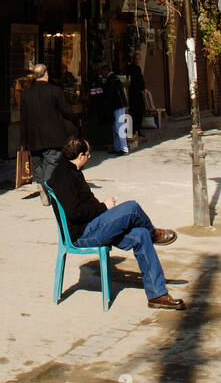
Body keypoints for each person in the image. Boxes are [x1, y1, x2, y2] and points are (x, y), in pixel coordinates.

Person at [48, 136, 185, 310]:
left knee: (140, 235)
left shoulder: (72, 171)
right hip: (83, 234)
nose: (89, 158)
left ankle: (157, 294)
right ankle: (154, 233)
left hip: (94, 224)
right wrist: (104, 207)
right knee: (132, 208)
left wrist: (105, 209)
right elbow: (75, 213)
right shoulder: (64, 177)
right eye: (89, 155)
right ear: (81, 155)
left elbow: (87, 204)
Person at [20, 63, 79, 207]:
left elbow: (23, 119)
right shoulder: (55, 91)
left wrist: (23, 141)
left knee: (38, 164)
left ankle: (42, 187)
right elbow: (65, 110)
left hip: (33, 137)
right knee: (51, 163)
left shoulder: (26, 94)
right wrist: (75, 118)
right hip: (53, 136)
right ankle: (47, 187)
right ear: (46, 75)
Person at [102, 67, 129, 154]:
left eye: (102, 71)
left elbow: (110, 94)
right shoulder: (113, 78)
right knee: (116, 127)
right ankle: (118, 147)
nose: (102, 73)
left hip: (118, 106)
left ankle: (124, 148)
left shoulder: (111, 79)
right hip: (118, 105)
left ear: (106, 71)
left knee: (118, 126)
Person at [128, 55, 146, 137]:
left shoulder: (137, 68)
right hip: (133, 93)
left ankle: (138, 129)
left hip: (138, 93)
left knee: (139, 111)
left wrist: (143, 89)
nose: (138, 60)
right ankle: (134, 129)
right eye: (137, 59)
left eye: (139, 59)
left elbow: (141, 80)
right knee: (134, 112)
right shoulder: (131, 68)